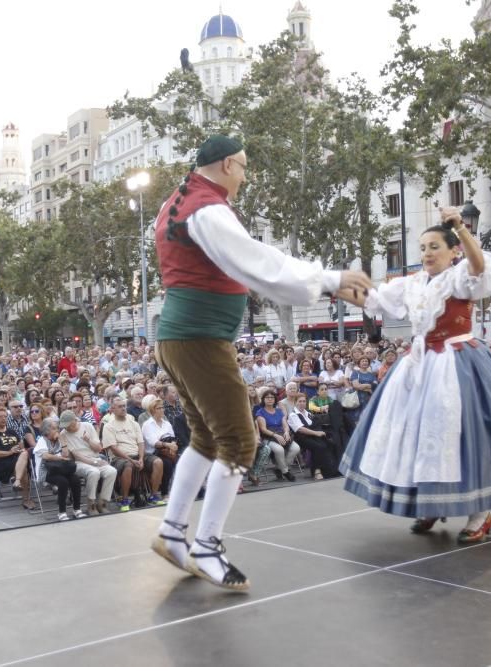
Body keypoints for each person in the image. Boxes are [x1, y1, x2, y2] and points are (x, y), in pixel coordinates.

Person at [150, 134, 371, 591]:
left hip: (184, 336)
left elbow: (252, 261)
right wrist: (329, 279)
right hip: (200, 338)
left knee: (209, 437)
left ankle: (172, 533)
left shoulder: (183, 200)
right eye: (244, 166)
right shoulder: (208, 209)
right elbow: (258, 263)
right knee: (239, 440)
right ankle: (207, 546)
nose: (246, 175)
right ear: (228, 164)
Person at [340, 209, 491, 543]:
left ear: (454, 251)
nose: (426, 253)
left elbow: (480, 267)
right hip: (419, 365)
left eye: (434, 246)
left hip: (458, 364)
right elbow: (373, 300)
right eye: (423, 247)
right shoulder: (410, 284)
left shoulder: (461, 275)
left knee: (465, 435)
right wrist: (328, 284)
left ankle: (479, 513)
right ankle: (430, 501)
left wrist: (460, 228)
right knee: (414, 434)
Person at [59, 410, 116, 515]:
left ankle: (102, 502)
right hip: (78, 462)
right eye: (64, 425)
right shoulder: (63, 434)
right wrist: (94, 462)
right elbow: (76, 456)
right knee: (94, 472)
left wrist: (88, 440)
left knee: (111, 471)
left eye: (67, 425)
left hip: (95, 457)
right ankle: (91, 503)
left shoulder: (87, 426)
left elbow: (99, 448)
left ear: (74, 420)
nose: (65, 427)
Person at [33, 417, 85, 521]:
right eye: (54, 428)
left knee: (75, 479)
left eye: (57, 428)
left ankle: (77, 509)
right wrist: (59, 457)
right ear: (46, 430)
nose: (57, 431)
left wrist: (62, 440)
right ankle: (62, 512)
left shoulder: (58, 440)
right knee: (63, 482)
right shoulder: (42, 440)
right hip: (46, 472)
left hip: (60, 469)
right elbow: (46, 456)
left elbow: (66, 454)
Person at [288, 394, 340, 480]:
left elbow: (315, 424)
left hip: (312, 436)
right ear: (295, 403)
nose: (302, 403)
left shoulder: (308, 413)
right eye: (299, 401)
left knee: (328, 443)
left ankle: (329, 469)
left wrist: (319, 433)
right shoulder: (293, 415)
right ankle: (316, 471)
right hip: (301, 438)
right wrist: (316, 433)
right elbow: (300, 429)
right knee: (319, 447)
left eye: (304, 401)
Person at [254, 389, 299, 482]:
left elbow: (285, 424)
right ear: (263, 399)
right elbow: (263, 429)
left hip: (282, 434)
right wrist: (276, 435)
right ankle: (286, 472)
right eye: (267, 397)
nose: (270, 399)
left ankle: (279, 469)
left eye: (272, 397)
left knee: (296, 448)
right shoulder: (260, 412)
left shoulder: (279, 411)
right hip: (268, 437)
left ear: (275, 399)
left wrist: (286, 432)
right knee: (279, 450)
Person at [140, 395, 178, 499]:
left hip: (167, 450)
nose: (162, 410)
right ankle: (164, 493)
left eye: (162, 407)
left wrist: (173, 445)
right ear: (153, 411)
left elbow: (173, 437)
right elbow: (154, 443)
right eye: (159, 408)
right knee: (167, 463)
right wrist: (168, 445)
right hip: (152, 453)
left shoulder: (166, 423)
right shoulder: (147, 425)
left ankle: (177, 491)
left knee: (180, 459)